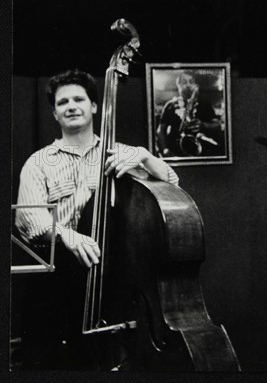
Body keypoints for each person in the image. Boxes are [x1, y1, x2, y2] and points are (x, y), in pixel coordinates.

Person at [15, 69, 180, 369]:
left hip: (113, 280)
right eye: (63, 102)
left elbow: (172, 183)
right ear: (54, 113)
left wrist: (144, 156)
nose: (71, 106)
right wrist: (68, 235)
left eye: (79, 99)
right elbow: (29, 220)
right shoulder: (37, 163)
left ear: (94, 106)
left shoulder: (119, 154)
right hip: (56, 281)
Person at [157, 70, 224, 158]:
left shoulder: (204, 104)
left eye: (191, 82)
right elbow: (161, 131)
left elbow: (218, 125)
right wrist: (165, 149)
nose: (188, 85)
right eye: (184, 82)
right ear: (178, 85)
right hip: (175, 152)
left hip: (200, 152)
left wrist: (203, 125)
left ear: (196, 85)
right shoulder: (170, 105)